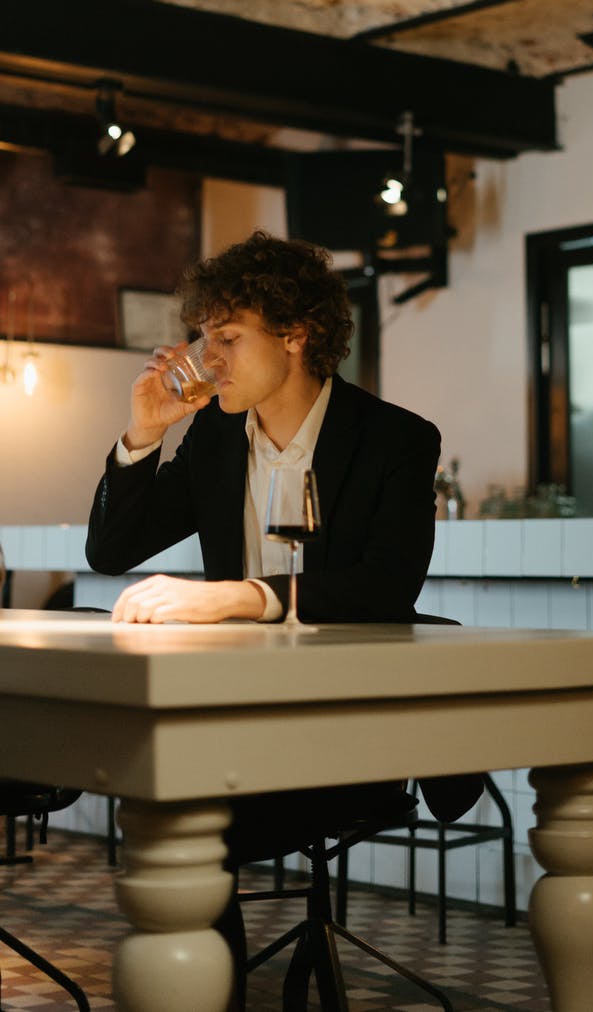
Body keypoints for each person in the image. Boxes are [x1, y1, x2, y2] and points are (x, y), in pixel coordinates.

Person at [86, 230, 482, 1003]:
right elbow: (113, 548)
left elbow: (383, 589)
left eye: (228, 337)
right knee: (167, 803)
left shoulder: (394, 440)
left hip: (347, 724)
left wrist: (242, 595)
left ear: (295, 335)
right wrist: (144, 432)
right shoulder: (212, 435)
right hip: (234, 715)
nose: (210, 358)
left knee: (186, 818)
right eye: (206, 338)